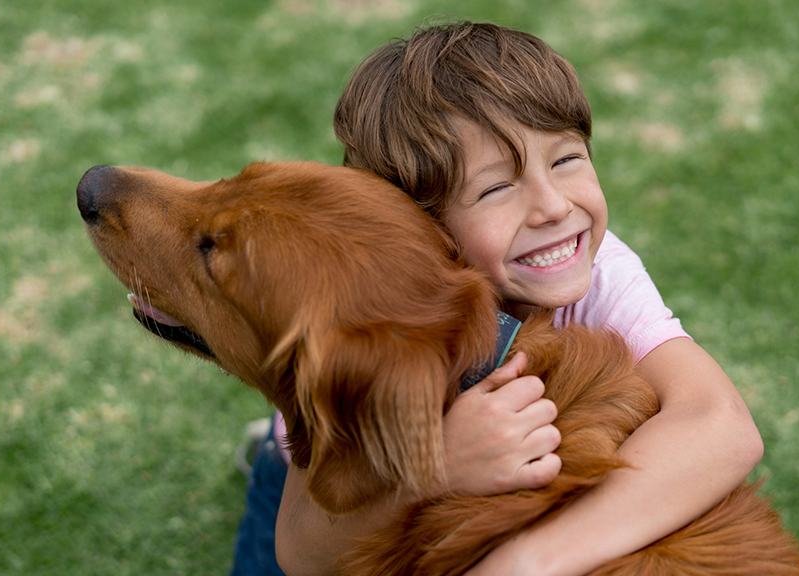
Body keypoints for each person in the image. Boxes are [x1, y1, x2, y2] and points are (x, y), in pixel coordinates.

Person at [232, 21, 763, 576]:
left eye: (566, 159)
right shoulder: (355, 320)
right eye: (495, 188)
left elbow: (720, 424)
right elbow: (300, 555)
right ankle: (270, 456)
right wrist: (433, 470)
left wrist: (528, 563)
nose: (553, 207)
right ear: (424, 231)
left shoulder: (601, 271)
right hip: (340, 474)